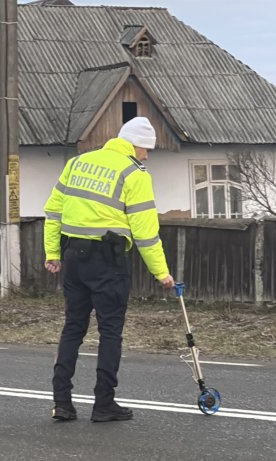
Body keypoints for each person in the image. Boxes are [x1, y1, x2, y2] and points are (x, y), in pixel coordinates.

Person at [43, 116, 175, 423]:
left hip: (73, 257)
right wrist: (161, 273)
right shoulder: (134, 173)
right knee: (110, 333)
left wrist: (52, 252)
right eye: (147, 150)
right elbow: (145, 233)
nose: (147, 156)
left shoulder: (78, 163)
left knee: (73, 329)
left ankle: (61, 402)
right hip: (108, 263)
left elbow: (53, 211)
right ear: (137, 146)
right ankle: (104, 404)